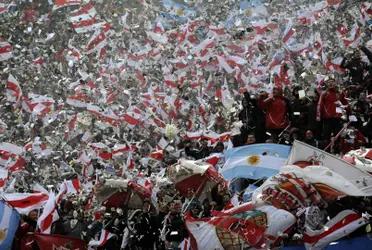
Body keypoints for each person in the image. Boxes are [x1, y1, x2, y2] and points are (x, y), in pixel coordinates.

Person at [316, 77, 349, 141]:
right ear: (326, 83)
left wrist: (347, 113)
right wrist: (318, 116)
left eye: (332, 81)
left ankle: (337, 149)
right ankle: (326, 149)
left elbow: (345, 103)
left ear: (335, 83)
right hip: (327, 119)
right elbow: (319, 104)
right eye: (329, 82)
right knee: (326, 136)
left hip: (337, 118)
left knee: (338, 136)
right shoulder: (324, 93)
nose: (331, 83)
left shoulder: (339, 93)